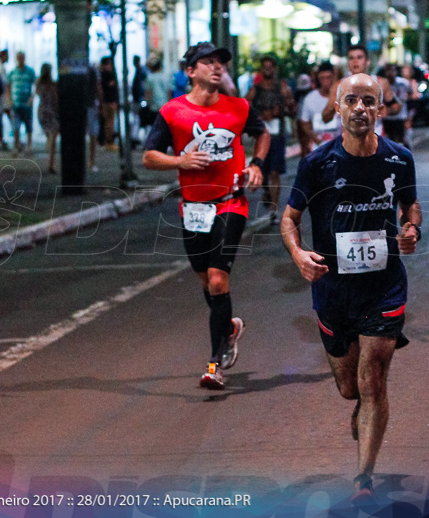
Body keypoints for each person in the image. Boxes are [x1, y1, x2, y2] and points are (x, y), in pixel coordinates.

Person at [281, 73, 421, 507]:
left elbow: (409, 204)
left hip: (384, 285)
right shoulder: (318, 163)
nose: (360, 108)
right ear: (337, 108)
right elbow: (288, 219)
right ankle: (362, 410)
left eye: (369, 101)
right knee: (351, 388)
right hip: (333, 288)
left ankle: (364, 476)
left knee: (374, 377)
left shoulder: (399, 159)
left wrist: (413, 226)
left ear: (381, 109)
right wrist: (299, 254)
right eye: (351, 101)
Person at [143, 42, 270, 389]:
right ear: (190, 71)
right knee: (206, 283)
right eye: (209, 62)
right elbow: (149, 156)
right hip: (193, 208)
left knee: (217, 280)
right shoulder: (172, 112)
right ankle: (229, 327)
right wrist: (179, 161)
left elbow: (262, 133)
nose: (217, 68)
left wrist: (256, 165)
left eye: (221, 64)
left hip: (231, 201)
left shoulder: (239, 107)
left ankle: (215, 365)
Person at [246, 55, 295, 226]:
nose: (268, 69)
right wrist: (260, 116)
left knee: (275, 172)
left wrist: (279, 111)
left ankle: (274, 210)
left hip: (277, 136)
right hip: (260, 136)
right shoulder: (254, 91)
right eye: (264, 66)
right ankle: (266, 192)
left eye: (270, 66)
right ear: (261, 69)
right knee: (264, 173)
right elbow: (244, 110)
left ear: (274, 69)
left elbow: (293, 109)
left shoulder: (282, 89)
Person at [321, 46, 402, 139]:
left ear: (367, 61)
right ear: (348, 62)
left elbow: (396, 106)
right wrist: (334, 107)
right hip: (349, 142)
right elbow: (325, 117)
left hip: (376, 139)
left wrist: (388, 111)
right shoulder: (339, 86)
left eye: (359, 57)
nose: (355, 61)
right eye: (351, 58)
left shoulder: (379, 82)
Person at [300, 62, 341, 150]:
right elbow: (305, 123)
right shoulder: (310, 98)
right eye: (322, 78)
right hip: (318, 147)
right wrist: (315, 138)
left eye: (329, 77)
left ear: (334, 77)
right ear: (318, 78)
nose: (326, 81)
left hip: (339, 146)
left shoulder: (342, 96)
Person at [6, 52, 36, 157]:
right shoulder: (13, 72)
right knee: (16, 125)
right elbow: (8, 86)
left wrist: (32, 98)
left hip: (26, 103)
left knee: (28, 125)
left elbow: (35, 85)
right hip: (16, 103)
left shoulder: (30, 71)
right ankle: (17, 145)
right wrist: (10, 99)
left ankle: (29, 145)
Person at [35, 64, 60, 175]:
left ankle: (51, 162)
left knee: (49, 136)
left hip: (42, 112)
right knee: (53, 138)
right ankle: (51, 163)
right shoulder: (53, 85)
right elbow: (55, 99)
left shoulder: (39, 84)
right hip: (51, 112)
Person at [382, 64, 412, 146]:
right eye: (388, 71)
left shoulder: (403, 83)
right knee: (390, 140)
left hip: (401, 116)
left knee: (402, 139)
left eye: (392, 70)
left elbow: (411, 95)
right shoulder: (383, 84)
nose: (390, 73)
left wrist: (409, 116)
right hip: (388, 117)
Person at [100, 56, 120, 151]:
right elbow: (111, 87)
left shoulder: (101, 74)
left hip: (106, 101)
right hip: (109, 101)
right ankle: (109, 142)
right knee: (110, 122)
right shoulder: (108, 75)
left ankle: (107, 141)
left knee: (107, 122)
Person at [86, 62, 103, 173]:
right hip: (91, 104)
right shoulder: (92, 70)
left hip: (83, 105)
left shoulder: (81, 70)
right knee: (93, 134)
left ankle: (89, 161)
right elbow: (98, 87)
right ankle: (91, 161)